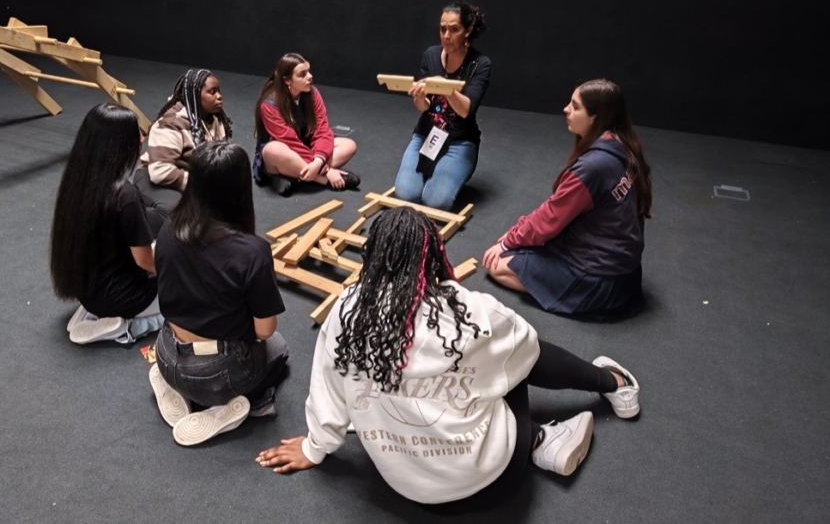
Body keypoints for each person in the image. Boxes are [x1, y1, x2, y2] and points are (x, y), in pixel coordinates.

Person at [256, 207, 640, 504]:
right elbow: (528, 349)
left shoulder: (346, 311)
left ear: (370, 255)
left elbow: (327, 395)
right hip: (495, 480)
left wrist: (314, 448)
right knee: (515, 353)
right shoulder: (468, 310)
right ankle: (604, 392)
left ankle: (544, 437)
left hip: (405, 488)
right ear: (434, 258)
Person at [149, 141, 289, 446]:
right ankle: (250, 403)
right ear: (240, 189)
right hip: (217, 374)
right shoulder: (253, 251)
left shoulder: (169, 228)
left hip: (166, 352)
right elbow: (265, 330)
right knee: (279, 347)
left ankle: (176, 385)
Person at [481, 79, 653, 321]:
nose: (566, 109)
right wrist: (519, 233)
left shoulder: (592, 167)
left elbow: (549, 219)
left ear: (594, 118)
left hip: (601, 280)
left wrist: (509, 241)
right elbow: (555, 210)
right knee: (525, 243)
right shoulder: (622, 144)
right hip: (626, 273)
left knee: (496, 264)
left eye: (575, 106)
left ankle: (570, 293)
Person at [50, 103, 165, 345]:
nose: (142, 138)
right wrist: (183, 272)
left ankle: (94, 311)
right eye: (135, 133)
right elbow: (145, 261)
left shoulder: (78, 181)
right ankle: (126, 326)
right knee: (192, 297)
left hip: (87, 288)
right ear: (118, 144)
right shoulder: (125, 195)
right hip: (123, 296)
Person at [394, 0, 492, 210]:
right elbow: (425, 107)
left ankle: (449, 171)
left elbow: (465, 110)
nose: (446, 35)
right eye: (443, 29)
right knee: (406, 194)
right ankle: (435, 170)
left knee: (435, 201)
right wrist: (419, 98)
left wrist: (442, 85)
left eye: (454, 29)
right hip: (427, 135)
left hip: (460, 141)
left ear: (467, 31)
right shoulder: (431, 55)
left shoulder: (480, 63)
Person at [253, 53, 359, 197]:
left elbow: (322, 130)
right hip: (284, 152)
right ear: (287, 80)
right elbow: (289, 141)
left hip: (307, 149)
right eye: (302, 74)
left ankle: (295, 176)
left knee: (349, 145)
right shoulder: (270, 105)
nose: (310, 76)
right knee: (273, 149)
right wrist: (326, 171)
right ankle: (322, 180)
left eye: (308, 71)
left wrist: (318, 161)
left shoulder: (313, 93)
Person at [135, 69, 232, 210]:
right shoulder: (172, 124)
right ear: (195, 95)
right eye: (212, 92)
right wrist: (200, 186)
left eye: (219, 91)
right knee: (176, 209)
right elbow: (160, 171)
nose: (219, 96)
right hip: (153, 174)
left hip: (188, 174)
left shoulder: (216, 119)